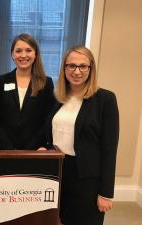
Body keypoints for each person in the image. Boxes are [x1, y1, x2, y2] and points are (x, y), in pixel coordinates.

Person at [40, 45, 119, 225]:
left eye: (83, 66)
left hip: (87, 179)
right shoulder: (58, 97)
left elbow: (109, 149)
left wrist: (106, 193)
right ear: (64, 68)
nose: (77, 71)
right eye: (71, 66)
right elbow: (53, 133)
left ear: (91, 69)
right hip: (59, 172)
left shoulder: (105, 99)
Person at [0, 33, 56, 150]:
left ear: (35, 54)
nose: (23, 55)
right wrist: (8, 147)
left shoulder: (46, 83)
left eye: (28, 50)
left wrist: (31, 148)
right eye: (18, 51)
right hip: (5, 150)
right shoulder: (1, 81)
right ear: (12, 54)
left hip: (35, 150)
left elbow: (48, 119)